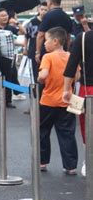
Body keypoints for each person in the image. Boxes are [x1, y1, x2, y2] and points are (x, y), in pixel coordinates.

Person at [38, 27, 78, 175]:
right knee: (67, 133)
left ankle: (42, 162)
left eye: (46, 40)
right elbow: (77, 76)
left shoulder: (47, 57)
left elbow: (43, 75)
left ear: (55, 41)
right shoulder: (70, 56)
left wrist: (40, 77)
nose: (44, 44)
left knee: (43, 131)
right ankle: (71, 166)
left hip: (48, 101)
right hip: (67, 101)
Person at [63, 26, 93, 177]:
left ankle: (88, 161)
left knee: (86, 126)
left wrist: (66, 89)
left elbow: (71, 65)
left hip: (88, 89)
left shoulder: (82, 38)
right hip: (87, 88)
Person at [35, 0, 72, 64]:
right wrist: (66, 50)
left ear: (50, 2)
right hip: (62, 52)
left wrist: (38, 52)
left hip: (48, 52)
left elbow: (41, 35)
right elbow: (68, 37)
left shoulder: (47, 16)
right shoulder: (67, 17)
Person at [0, 8, 19, 108]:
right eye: (2, 16)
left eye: (6, 15)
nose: (5, 17)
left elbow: (23, 32)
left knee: (9, 78)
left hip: (8, 57)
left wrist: (16, 23)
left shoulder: (10, 28)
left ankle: (8, 100)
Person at [24, 2, 48, 82]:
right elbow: (26, 36)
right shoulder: (32, 22)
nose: (43, 11)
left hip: (46, 50)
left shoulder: (48, 21)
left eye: (46, 10)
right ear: (38, 10)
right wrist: (25, 49)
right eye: (42, 9)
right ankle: (35, 91)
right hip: (33, 50)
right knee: (34, 73)